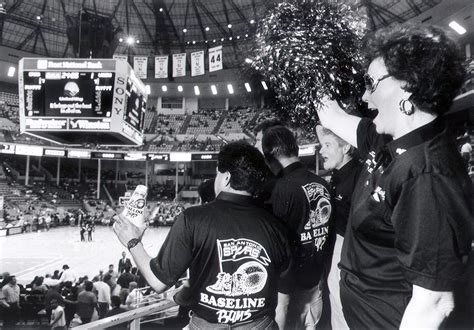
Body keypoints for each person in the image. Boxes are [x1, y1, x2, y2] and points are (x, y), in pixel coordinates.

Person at [317, 23, 473, 329]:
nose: (364, 96)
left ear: (408, 85)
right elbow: (332, 116)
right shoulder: (388, 139)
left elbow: (434, 302)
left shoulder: (428, 173)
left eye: (371, 84)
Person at [113, 141, 292, 328]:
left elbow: (158, 282)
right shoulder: (277, 227)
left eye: (217, 173)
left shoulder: (192, 219)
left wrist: (132, 241)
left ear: (226, 178)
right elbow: (283, 301)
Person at [261, 126, 333, 329]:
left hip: (287, 293)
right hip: (316, 286)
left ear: (270, 156)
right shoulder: (322, 184)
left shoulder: (279, 188)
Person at [315, 125, 363, 329]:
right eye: (320, 145)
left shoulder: (358, 177)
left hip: (349, 252)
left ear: (345, 148)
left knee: (344, 309)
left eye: (327, 145)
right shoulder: (338, 174)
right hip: (338, 249)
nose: (321, 150)